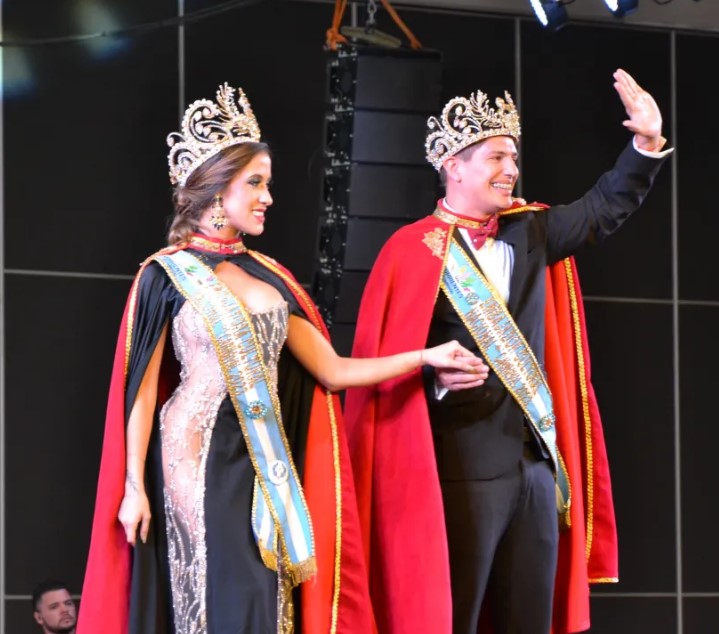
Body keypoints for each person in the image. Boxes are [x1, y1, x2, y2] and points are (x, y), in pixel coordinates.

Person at [76, 82, 478, 634]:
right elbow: (142, 392)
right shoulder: (165, 274)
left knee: (267, 595)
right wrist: (132, 486)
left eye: (267, 183)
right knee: (222, 589)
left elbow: (333, 371)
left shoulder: (272, 277)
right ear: (216, 189)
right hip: (193, 455)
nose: (268, 197)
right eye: (255, 183)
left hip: (263, 458)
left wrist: (425, 356)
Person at [343, 68, 673, 634]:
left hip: (536, 470)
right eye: (496, 157)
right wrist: (435, 379)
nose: (511, 169)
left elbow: (603, 209)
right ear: (454, 166)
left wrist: (645, 143)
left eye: (514, 158)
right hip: (460, 467)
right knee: (456, 618)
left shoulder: (532, 230)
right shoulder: (410, 251)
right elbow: (386, 365)